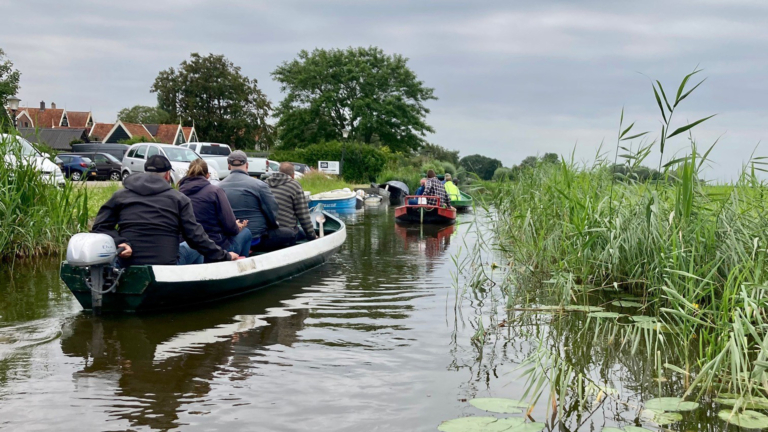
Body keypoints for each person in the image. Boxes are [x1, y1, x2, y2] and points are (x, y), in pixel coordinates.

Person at [92, 155, 238, 266]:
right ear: (168, 175)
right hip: (166, 266)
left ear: (145, 172)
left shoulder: (120, 196)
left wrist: (120, 242)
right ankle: (196, 289)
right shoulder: (179, 199)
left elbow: (99, 226)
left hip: (128, 263)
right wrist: (225, 256)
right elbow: (196, 237)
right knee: (191, 247)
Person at [179, 159, 253, 259]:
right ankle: (242, 269)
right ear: (208, 175)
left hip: (188, 248)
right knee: (246, 233)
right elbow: (230, 228)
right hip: (216, 249)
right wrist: (237, 227)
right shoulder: (215, 192)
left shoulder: (178, 193)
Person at [218, 150, 280, 244]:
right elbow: (271, 210)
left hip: (229, 239)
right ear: (247, 165)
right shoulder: (259, 185)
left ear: (228, 165)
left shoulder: (217, 188)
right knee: (291, 234)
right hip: (256, 237)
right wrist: (274, 226)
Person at [263, 162, 318, 250]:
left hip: (266, 232)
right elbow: (303, 215)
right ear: (293, 175)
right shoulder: (294, 186)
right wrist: (312, 236)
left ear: (279, 171)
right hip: (287, 232)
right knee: (303, 234)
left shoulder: (264, 184)